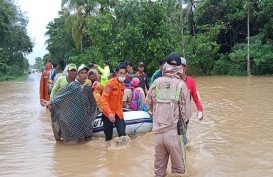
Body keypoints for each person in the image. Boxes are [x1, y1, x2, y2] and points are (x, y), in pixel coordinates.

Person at [146, 52, 191, 176]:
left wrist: (158, 113)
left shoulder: (156, 82)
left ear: (166, 65)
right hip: (174, 134)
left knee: (159, 171)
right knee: (178, 170)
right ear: (180, 67)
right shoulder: (182, 85)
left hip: (157, 132)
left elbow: (148, 103)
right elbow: (186, 114)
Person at [41, 64, 97, 142]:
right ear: (78, 74)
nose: (84, 75)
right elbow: (61, 95)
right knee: (74, 136)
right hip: (73, 114)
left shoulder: (87, 87)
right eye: (82, 73)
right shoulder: (72, 85)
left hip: (84, 115)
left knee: (86, 138)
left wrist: (96, 110)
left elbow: (92, 102)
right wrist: (50, 102)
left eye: (85, 73)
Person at [101, 64, 127, 141]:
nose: (122, 75)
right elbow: (104, 99)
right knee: (108, 137)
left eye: (124, 73)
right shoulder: (110, 84)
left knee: (123, 134)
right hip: (108, 113)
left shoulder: (122, 85)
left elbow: (120, 100)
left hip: (118, 113)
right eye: (120, 73)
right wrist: (109, 113)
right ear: (116, 73)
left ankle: (123, 152)